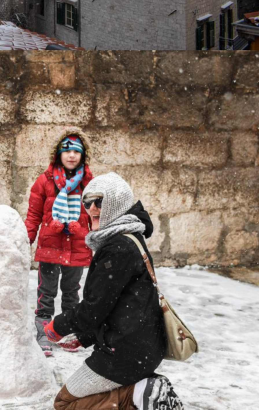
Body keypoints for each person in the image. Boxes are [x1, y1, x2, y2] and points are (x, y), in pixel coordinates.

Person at [44, 172, 183, 410]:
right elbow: (114, 304)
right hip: (142, 344)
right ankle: (137, 394)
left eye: (100, 201)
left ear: (117, 203)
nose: (93, 208)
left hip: (124, 352)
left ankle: (138, 395)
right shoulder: (129, 237)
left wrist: (58, 326)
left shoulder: (117, 247)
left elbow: (94, 308)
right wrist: (84, 337)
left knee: (64, 403)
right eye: (87, 202)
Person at [25, 129, 94, 356]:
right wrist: (28, 237)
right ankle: (44, 329)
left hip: (77, 245)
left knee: (72, 291)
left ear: (83, 155)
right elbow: (34, 213)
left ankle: (66, 329)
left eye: (76, 151)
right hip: (50, 244)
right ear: (58, 154)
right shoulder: (45, 181)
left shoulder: (90, 183)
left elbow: (96, 216)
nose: (72, 156)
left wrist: (91, 236)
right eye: (67, 151)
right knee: (46, 290)